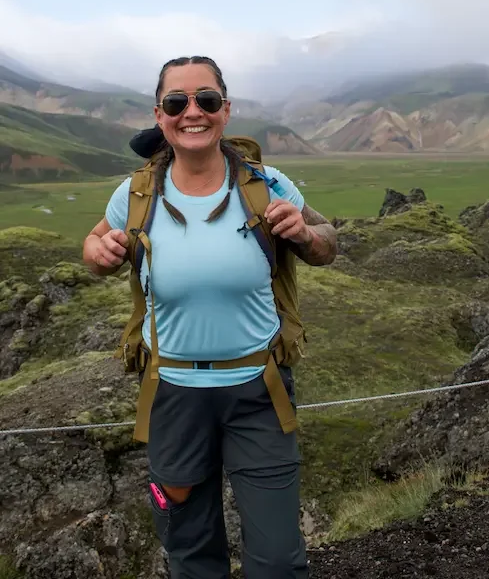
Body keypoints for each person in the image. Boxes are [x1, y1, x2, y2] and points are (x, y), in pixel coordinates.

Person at [83, 56, 337, 579]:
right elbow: (93, 242)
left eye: (207, 100)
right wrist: (98, 253)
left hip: (260, 393)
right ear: (160, 115)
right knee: (191, 556)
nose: (192, 112)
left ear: (226, 110)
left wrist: (307, 235)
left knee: (277, 563)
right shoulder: (135, 193)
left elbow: (327, 243)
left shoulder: (266, 183)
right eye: (177, 102)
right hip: (172, 396)